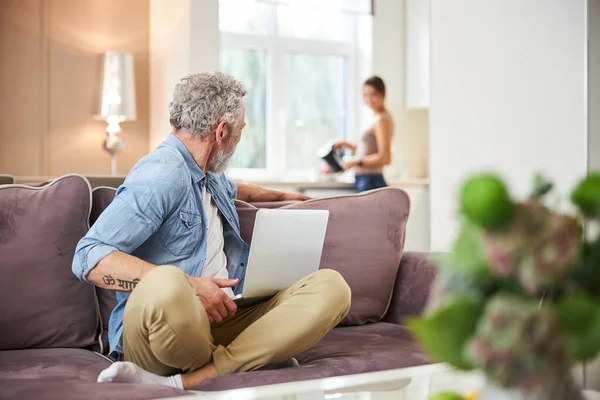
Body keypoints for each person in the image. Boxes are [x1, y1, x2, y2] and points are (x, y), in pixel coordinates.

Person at [71, 72, 351, 390]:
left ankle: (195, 378)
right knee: (168, 281)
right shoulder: (161, 175)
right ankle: (256, 354)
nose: (240, 138)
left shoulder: (208, 171)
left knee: (332, 286)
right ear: (221, 131)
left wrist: (282, 196)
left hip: (220, 319)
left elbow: (237, 189)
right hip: (164, 329)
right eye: (241, 131)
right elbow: (88, 256)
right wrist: (191, 286)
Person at [333, 76, 393, 192]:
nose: (369, 99)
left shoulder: (382, 119)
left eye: (374, 94)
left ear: (383, 94)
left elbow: (385, 157)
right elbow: (370, 151)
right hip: (366, 180)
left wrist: (356, 161)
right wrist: (349, 146)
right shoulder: (376, 117)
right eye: (366, 95)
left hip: (371, 180)